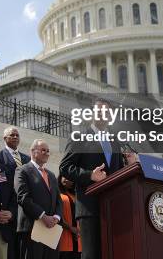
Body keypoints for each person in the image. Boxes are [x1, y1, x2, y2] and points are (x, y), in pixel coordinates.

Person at [59, 98, 133, 259]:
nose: (102, 114)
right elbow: (65, 167)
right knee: (92, 255)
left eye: (106, 112)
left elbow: (118, 172)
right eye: (99, 111)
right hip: (90, 207)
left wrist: (131, 166)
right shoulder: (79, 137)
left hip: (113, 206)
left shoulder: (115, 141)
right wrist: (89, 175)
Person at [15, 139, 62, 259]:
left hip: (51, 229)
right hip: (32, 228)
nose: (47, 153)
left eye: (48, 151)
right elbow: (23, 198)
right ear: (33, 151)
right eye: (43, 150)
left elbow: (58, 200)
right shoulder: (22, 170)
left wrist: (56, 218)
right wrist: (43, 216)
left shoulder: (51, 175)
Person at [0, 127, 29, 259]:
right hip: (9, 208)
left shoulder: (26, 158)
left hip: (25, 208)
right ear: (5, 139)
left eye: (17, 135)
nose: (15, 137)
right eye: (12, 135)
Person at [58, 176, 81, 259]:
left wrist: (78, 231)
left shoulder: (76, 195)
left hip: (78, 239)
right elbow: (57, 215)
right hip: (63, 238)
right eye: (64, 176)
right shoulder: (56, 194)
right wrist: (71, 228)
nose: (66, 179)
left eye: (70, 178)